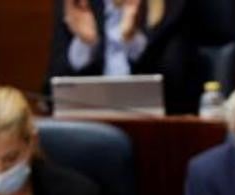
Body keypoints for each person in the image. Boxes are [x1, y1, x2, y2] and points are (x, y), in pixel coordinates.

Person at [47, 0, 197, 115]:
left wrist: (132, 42)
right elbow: (51, 93)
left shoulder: (171, 5)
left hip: (154, 127)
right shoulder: (78, 5)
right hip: (87, 124)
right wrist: (86, 44)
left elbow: (176, 88)